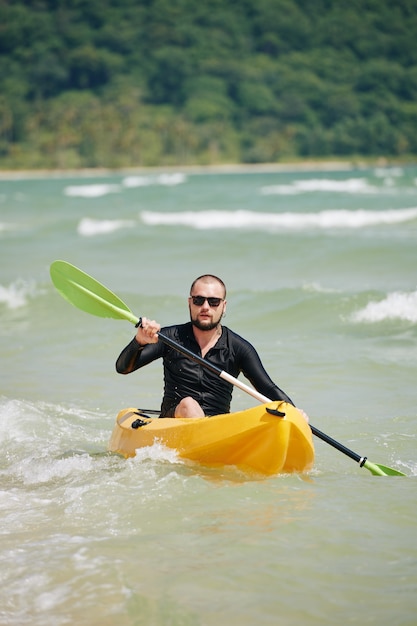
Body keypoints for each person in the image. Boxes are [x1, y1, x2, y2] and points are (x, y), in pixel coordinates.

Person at [116, 274, 308, 420]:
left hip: (216, 428)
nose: (205, 307)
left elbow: (267, 388)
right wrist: (139, 341)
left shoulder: (238, 348)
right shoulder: (170, 338)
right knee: (188, 404)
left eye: (213, 301)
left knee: (269, 414)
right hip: (174, 421)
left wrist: (294, 412)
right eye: (199, 300)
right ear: (190, 303)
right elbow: (123, 368)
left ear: (224, 306)